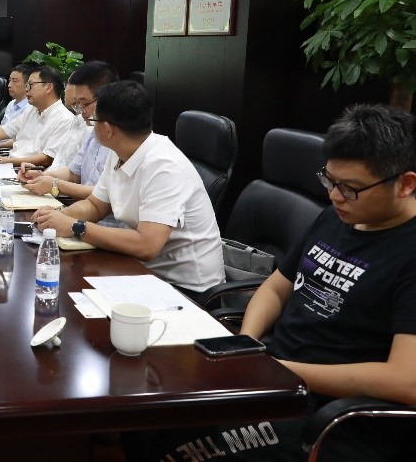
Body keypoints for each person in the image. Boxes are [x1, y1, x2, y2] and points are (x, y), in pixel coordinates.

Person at [125, 104, 416, 461]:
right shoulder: (334, 219)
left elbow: (405, 380)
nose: (334, 195)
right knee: (146, 406)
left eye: (351, 188)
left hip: (328, 414)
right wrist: (247, 341)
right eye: (329, 180)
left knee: (183, 444)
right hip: (275, 374)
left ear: (406, 184)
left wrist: (280, 370)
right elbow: (277, 288)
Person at [33, 80, 224, 294]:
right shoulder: (119, 151)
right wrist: (56, 218)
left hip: (185, 288)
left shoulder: (164, 166)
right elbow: (95, 206)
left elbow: (146, 245)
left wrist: (76, 226)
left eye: (93, 120)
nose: (91, 126)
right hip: (141, 270)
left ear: (107, 129)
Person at [19, 61, 116, 200]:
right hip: (82, 206)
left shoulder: (119, 139)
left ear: (105, 99)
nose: (80, 110)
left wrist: (55, 184)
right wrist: (41, 176)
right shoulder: (92, 132)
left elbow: (104, 195)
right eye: (77, 103)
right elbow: (73, 173)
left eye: (84, 103)